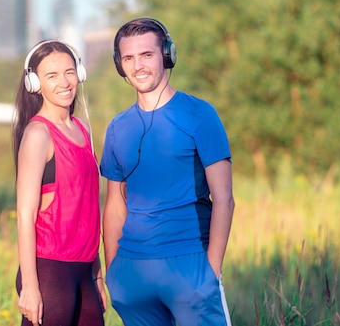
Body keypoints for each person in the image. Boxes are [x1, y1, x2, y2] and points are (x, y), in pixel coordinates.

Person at [100, 18, 235, 325]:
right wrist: (114, 277)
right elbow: (114, 207)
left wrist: (210, 275)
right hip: (133, 275)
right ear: (120, 65)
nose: (138, 66)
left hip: (190, 264)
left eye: (147, 55)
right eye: (129, 58)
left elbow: (224, 198)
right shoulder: (117, 128)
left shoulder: (199, 114)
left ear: (166, 55)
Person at [13, 40, 106, 326]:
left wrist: (96, 274)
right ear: (34, 83)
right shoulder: (38, 135)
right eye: (52, 76)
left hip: (84, 270)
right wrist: (30, 287)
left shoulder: (83, 128)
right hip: (50, 269)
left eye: (69, 72)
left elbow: (86, 208)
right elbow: (25, 217)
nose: (64, 82)